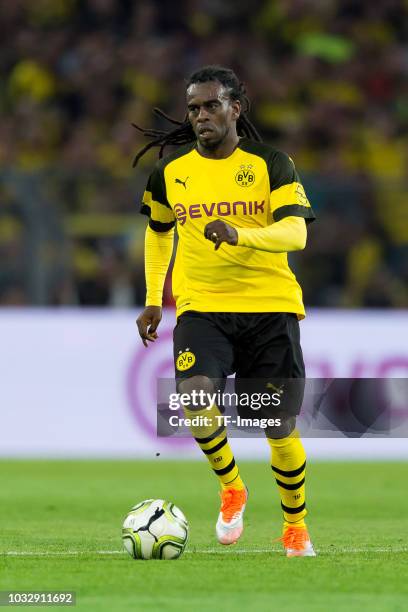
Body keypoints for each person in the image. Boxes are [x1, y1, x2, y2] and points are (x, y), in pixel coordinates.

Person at [135, 65, 316, 557]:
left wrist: (241, 233)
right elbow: (158, 231)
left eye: (211, 105)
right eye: (193, 108)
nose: (200, 116)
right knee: (193, 398)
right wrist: (155, 297)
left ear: (236, 108)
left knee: (277, 425)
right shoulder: (171, 173)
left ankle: (294, 526)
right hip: (203, 309)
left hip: (270, 306)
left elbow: (296, 234)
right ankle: (232, 486)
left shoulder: (271, 163)